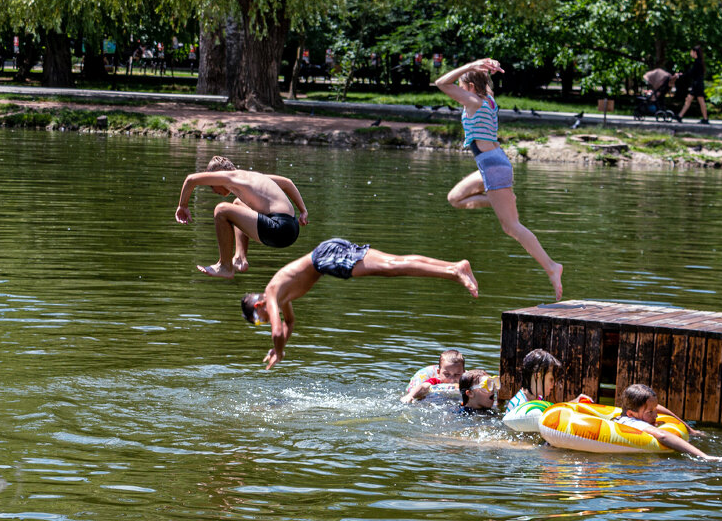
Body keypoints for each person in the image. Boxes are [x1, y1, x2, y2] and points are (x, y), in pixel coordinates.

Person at [240, 238, 478, 369]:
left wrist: (278, 352)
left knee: (392, 268)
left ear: (259, 307)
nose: (264, 321)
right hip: (327, 253)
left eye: (258, 321)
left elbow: (277, 330)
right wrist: (281, 344)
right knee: (394, 264)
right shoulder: (283, 297)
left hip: (325, 259)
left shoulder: (271, 295)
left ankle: (454, 271)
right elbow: (289, 323)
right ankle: (454, 267)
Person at [437, 58, 563, 301]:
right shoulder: (489, 99)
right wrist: (484, 68)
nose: (459, 90)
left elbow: (441, 83)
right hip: (493, 163)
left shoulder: (473, 100)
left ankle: (551, 267)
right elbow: (479, 83)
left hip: (493, 165)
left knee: (511, 226)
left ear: (470, 87)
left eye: (462, 85)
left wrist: (470, 66)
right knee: (454, 198)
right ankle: (499, 201)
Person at [175, 155, 309, 278]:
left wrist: (183, 206)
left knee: (221, 209)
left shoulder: (230, 176)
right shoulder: (252, 176)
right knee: (237, 204)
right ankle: (240, 258)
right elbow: (287, 182)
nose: (214, 191)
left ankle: (225, 266)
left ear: (218, 177)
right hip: (291, 228)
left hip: (278, 228)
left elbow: (190, 180)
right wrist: (303, 211)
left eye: (211, 185)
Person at [614, 383, 722, 461]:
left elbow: (658, 407)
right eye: (650, 412)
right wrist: (704, 456)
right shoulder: (633, 423)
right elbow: (663, 436)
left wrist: (689, 430)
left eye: (654, 410)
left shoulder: (626, 416)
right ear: (631, 414)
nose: (656, 415)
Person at [502, 348, 562, 413]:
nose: (554, 383)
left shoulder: (539, 399)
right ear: (537, 376)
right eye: (551, 379)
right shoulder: (518, 405)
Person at [401, 349, 466, 403]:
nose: (452, 379)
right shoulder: (435, 381)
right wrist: (410, 396)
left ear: (463, 373)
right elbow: (423, 387)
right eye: (447, 374)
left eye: (457, 375)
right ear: (438, 372)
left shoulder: (466, 383)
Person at [676, 45, 709, 124]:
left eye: (691, 52)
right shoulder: (699, 62)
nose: (690, 53)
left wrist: (681, 76)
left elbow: (691, 73)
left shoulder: (697, 62)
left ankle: (705, 119)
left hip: (697, 85)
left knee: (699, 101)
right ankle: (680, 116)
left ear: (695, 52)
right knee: (689, 100)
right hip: (698, 84)